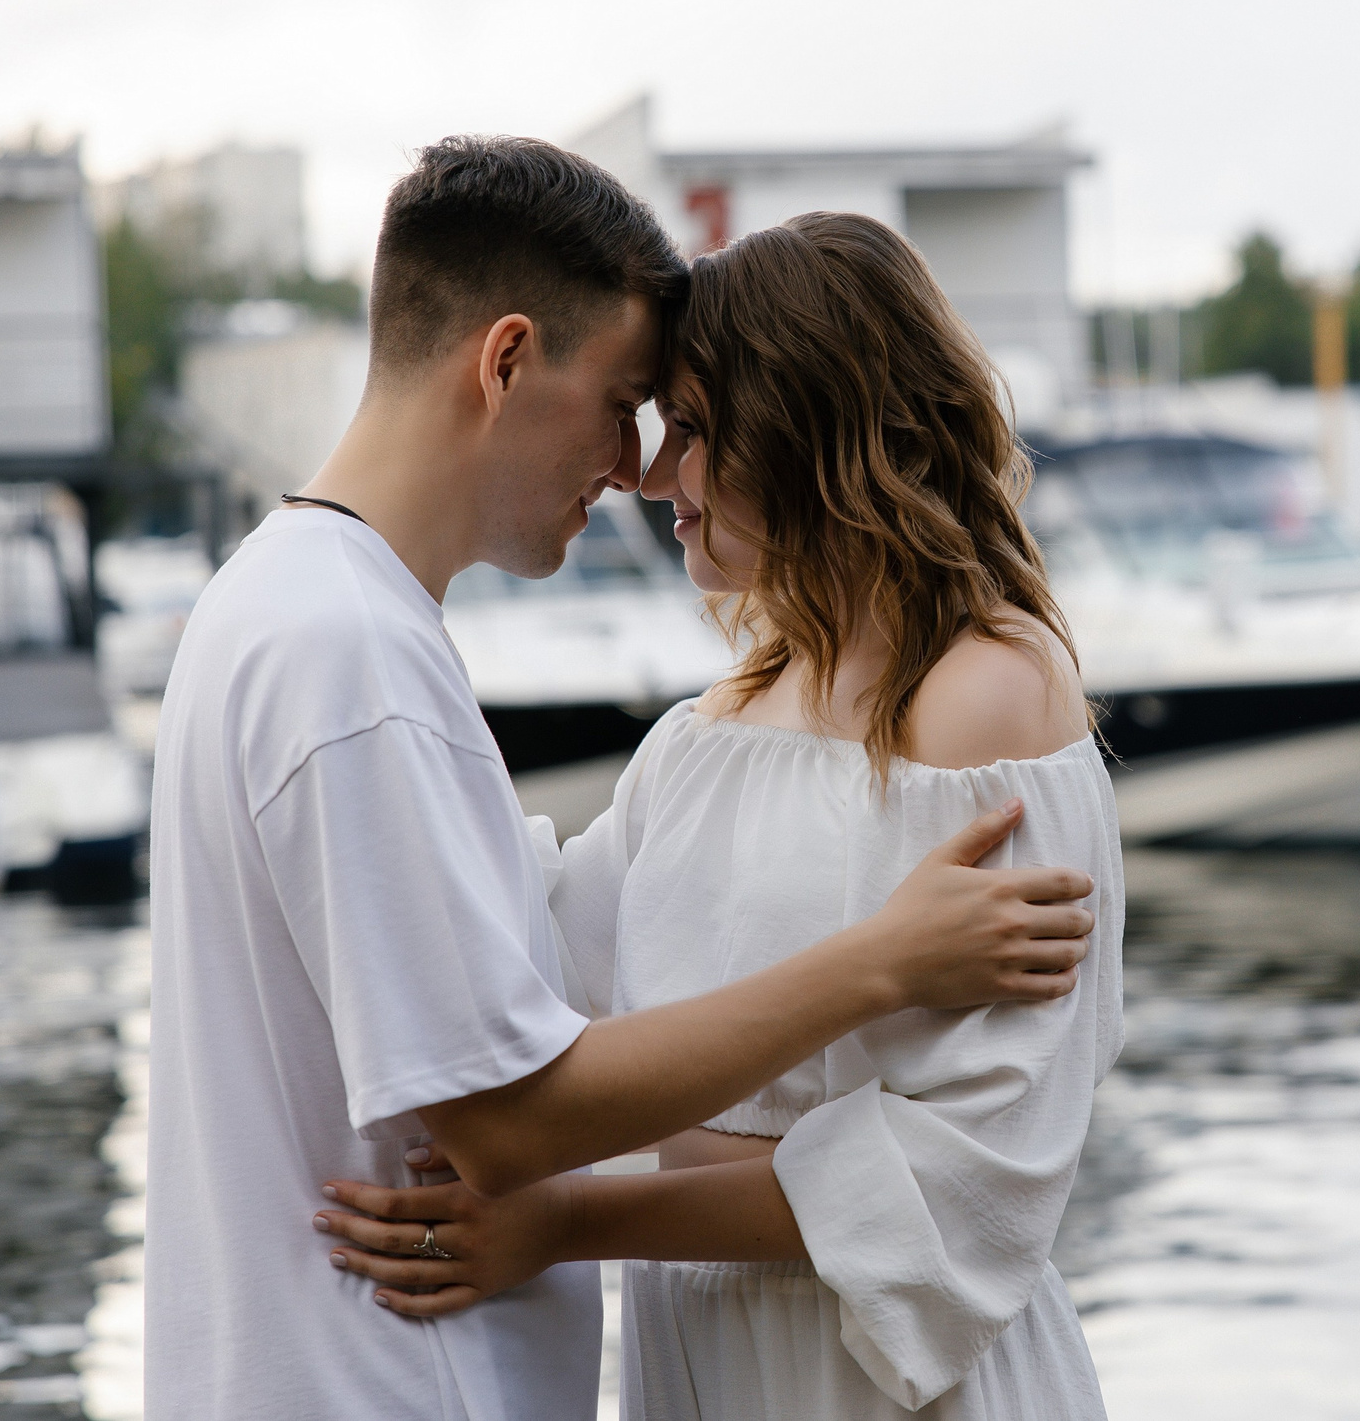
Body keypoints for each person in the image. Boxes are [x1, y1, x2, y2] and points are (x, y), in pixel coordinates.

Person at [144, 143, 1098, 1421]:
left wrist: (582, 1212)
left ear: (810, 432)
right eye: (639, 408)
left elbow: (976, 1169)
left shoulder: (983, 692)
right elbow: (522, 1045)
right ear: (506, 361)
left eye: (689, 426)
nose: (645, 469)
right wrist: (878, 963)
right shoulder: (646, 724)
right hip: (679, 1369)